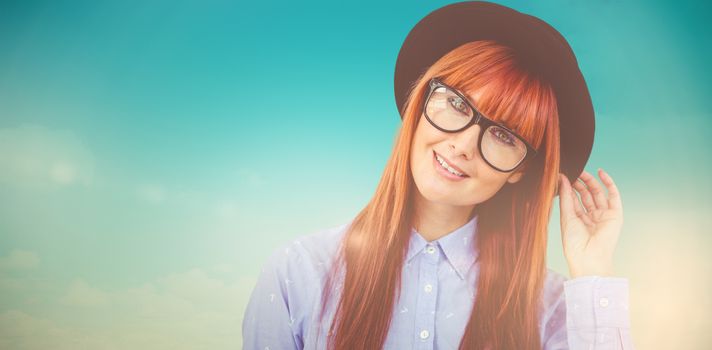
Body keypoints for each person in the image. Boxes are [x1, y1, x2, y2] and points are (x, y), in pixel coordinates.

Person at [242, 1, 635, 349]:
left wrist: (594, 269)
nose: (463, 144)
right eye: (457, 104)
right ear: (420, 102)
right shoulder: (300, 274)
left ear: (520, 170)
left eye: (502, 134)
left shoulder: (549, 310)